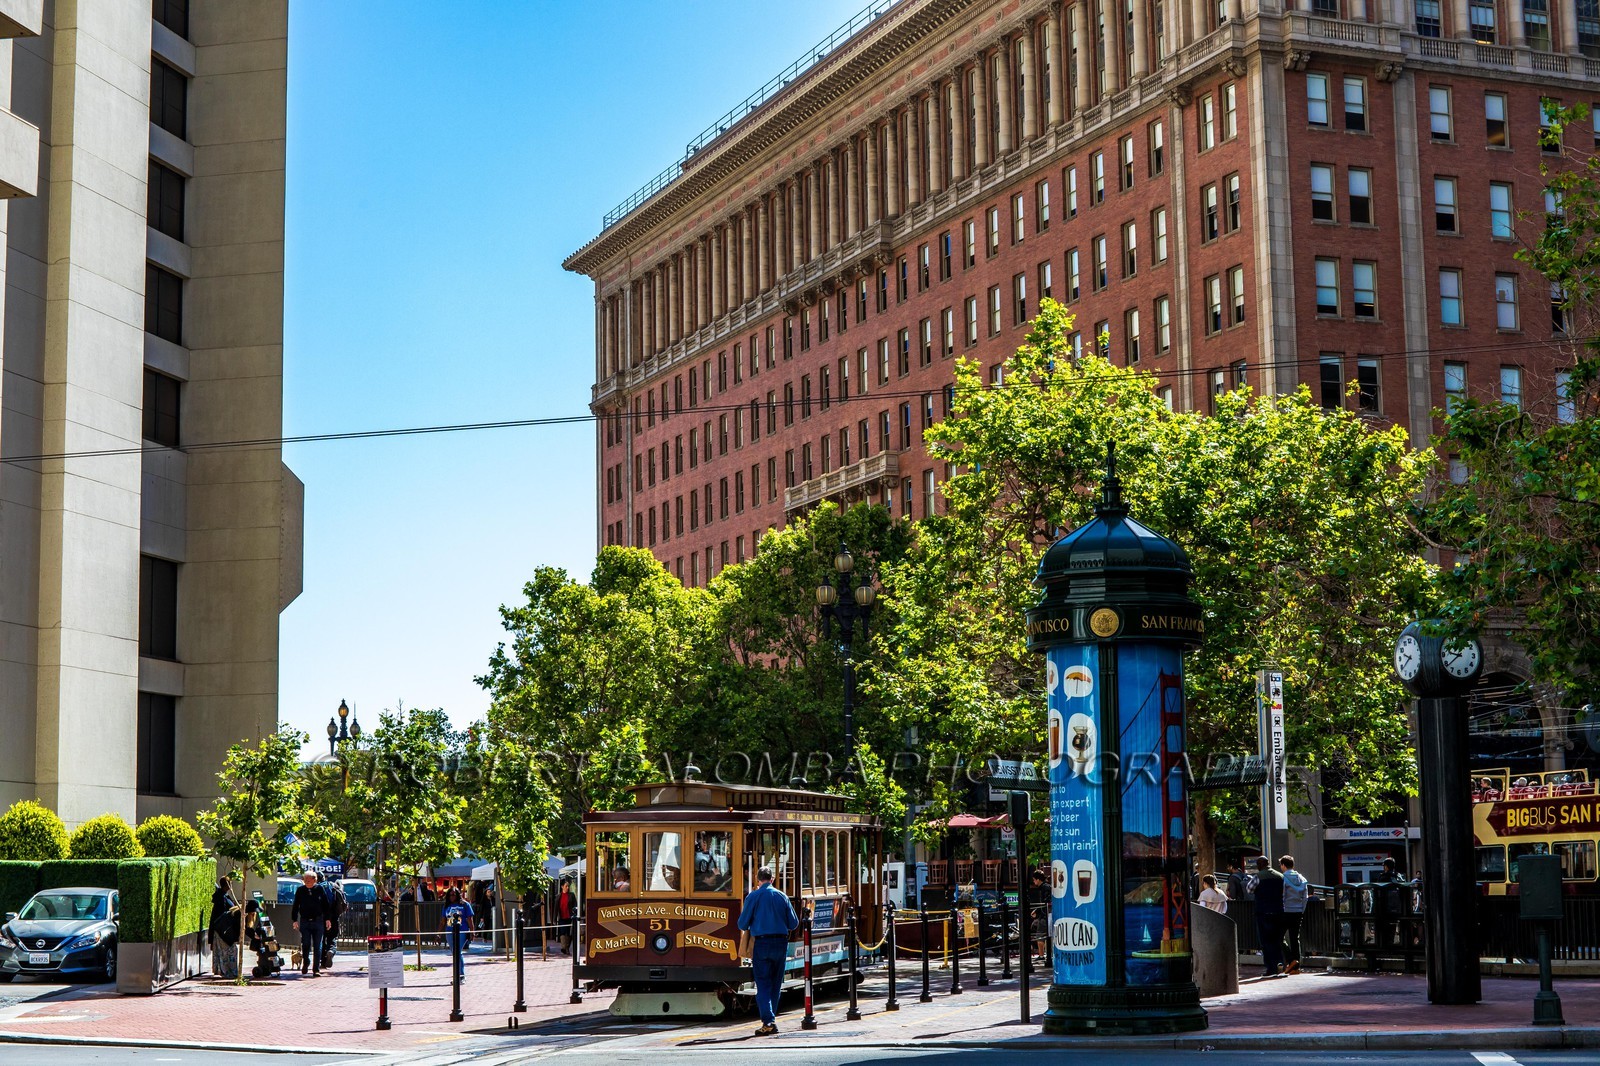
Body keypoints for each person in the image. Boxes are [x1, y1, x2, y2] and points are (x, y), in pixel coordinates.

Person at [737, 866, 798, 1036]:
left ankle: (768, 1021)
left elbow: (742, 924)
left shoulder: (753, 896)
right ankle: (771, 1020)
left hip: (762, 944)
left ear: (758, 880)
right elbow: (794, 923)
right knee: (776, 984)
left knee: (762, 983)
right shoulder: (782, 896)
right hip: (780, 943)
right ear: (772, 879)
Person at [291, 870, 331, 976]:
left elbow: (326, 905)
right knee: (306, 944)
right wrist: (294, 920)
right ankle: (306, 962)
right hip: (305, 921)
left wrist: (328, 919)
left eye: (309, 880)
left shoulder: (320, 889)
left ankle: (316, 969)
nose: (306, 881)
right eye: (305, 880)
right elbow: (295, 906)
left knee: (318, 946)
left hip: (318, 921)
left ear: (315, 880)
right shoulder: (300, 890)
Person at [1252, 856, 1286, 977]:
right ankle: (1280, 965)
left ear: (1259, 865)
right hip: (1278, 910)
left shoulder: (1258, 876)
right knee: (1278, 940)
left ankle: (1271, 968)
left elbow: (1249, 889)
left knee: (1266, 941)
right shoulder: (1280, 876)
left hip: (1263, 911)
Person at [1279, 855, 1310, 974]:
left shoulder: (1283, 878)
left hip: (1286, 911)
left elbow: (1283, 896)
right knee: (1294, 938)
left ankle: (1291, 960)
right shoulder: (1302, 878)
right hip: (1298, 912)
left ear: (1283, 865)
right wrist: (1302, 910)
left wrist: (1282, 908)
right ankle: (1296, 966)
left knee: (1279, 937)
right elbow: (1305, 898)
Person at [443, 886, 474, 983]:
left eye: (454, 894)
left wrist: (472, 932)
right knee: (454, 953)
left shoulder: (465, 905)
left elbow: (470, 919)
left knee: (457, 952)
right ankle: (457, 976)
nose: (452, 896)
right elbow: (443, 920)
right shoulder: (446, 906)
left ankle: (461, 976)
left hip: (462, 931)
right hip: (449, 931)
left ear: (458, 895)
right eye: (450, 895)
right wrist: (438, 934)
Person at [209, 876, 236, 975]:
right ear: (227, 885)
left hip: (223, 928)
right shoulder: (221, 898)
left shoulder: (224, 896)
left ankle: (223, 969)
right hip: (222, 929)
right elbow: (222, 914)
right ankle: (226, 969)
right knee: (226, 950)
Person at [556, 879, 577, 955]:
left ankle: (567, 948)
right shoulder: (558, 896)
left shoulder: (571, 895)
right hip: (562, 917)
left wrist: (575, 914)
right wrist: (554, 918)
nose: (567, 887)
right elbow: (556, 908)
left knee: (568, 933)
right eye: (566, 886)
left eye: (568, 886)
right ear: (562, 887)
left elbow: (575, 905)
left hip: (569, 917)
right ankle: (563, 947)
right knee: (562, 932)